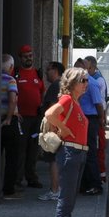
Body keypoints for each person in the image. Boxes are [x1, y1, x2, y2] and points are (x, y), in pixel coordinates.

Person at [40, 66, 92, 217]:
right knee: (65, 202)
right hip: (71, 153)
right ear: (72, 83)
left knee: (68, 203)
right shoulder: (68, 99)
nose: (86, 84)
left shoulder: (74, 101)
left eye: (86, 80)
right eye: (83, 81)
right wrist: (64, 128)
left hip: (76, 153)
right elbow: (49, 114)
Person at [14, 45, 46, 189]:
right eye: (26, 56)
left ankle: (31, 178)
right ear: (20, 58)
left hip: (35, 119)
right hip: (21, 119)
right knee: (20, 150)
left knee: (33, 150)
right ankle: (17, 179)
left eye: (31, 55)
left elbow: (41, 94)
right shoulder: (16, 74)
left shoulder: (37, 74)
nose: (29, 58)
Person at [37, 61, 65, 202]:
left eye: (48, 70)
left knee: (52, 159)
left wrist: (51, 129)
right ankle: (57, 189)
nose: (46, 73)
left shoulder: (55, 86)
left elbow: (52, 110)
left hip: (53, 128)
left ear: (55, 70)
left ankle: (55, 190)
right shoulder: (63, 85)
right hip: (60, 128)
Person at [78, 55, 106, 195]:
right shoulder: (82, 82)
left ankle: (95, 185)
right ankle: (85, 184)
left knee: (90, 153)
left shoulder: (92, 83)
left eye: (82, 67)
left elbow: (98, 104)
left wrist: (101, 120)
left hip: (90, 119)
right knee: (84, 152)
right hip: (84, 119)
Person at [0, 54, 22, 196]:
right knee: (12, 156)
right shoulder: (11, 80)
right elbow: (12, 99)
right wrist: (9, 117)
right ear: (11, 67)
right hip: (8, 121)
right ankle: (8, 188)